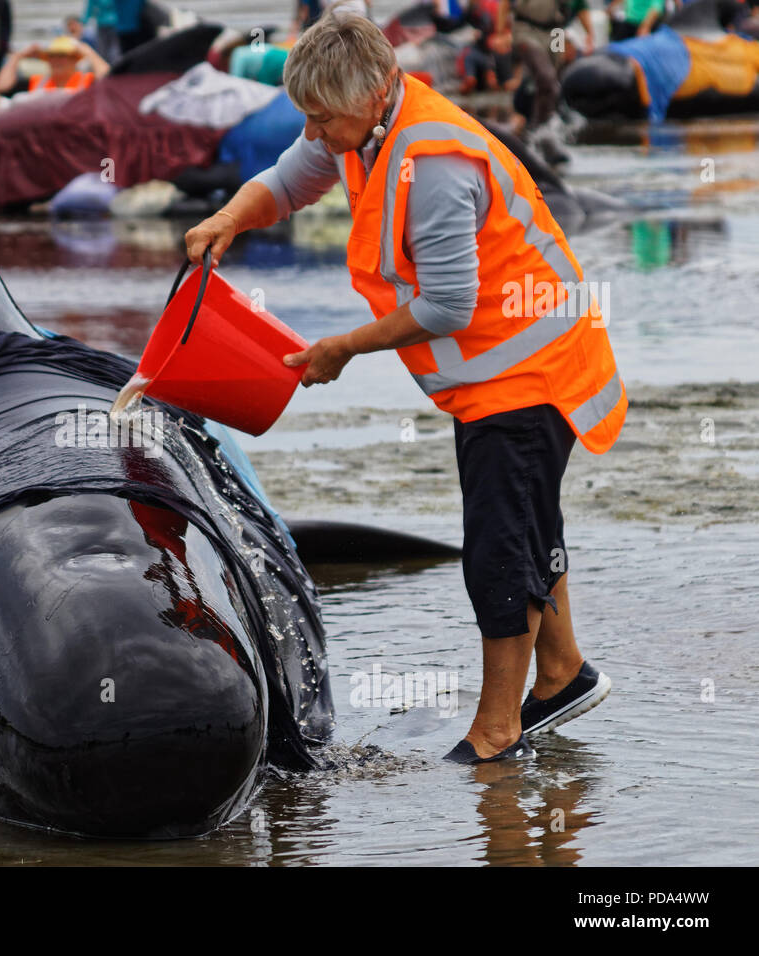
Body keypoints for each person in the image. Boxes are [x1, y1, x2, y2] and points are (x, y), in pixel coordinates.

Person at [184, 13, 625, 762]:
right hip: (495, 370)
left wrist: (343, 350)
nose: (314, 132)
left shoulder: (435, 162)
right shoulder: (359, 126)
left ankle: (498, 731)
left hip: (528, 371)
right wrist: (230, 217)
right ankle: (561, 673)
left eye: (322, 118)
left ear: (376, 90)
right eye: (308, 117)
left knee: (495, 549)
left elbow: (448, 304)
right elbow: (293, 178)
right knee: (528, 525)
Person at [0, 35, 110, 94]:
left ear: (74, 60)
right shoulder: (38, 82)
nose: (56, 61)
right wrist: (17, 57)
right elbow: (1, 87)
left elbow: (110, 79)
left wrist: (90, 53)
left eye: (62, 56)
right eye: (52, 56)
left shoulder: (88, 81)